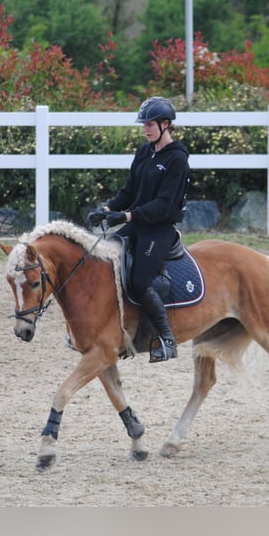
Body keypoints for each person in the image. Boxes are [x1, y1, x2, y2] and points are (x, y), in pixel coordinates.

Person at [90, 96, 190, 362]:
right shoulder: (144, 152)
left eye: (150, 124)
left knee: (139, 281)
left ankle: (167, 339)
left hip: (159, 229)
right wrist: (109, 209)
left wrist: (128, 215)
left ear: (165, 125)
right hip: (137, 223)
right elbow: (129, 191)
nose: (145, 129)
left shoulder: (177, 159)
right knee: (104, 259)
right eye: (143, 124)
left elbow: (163, 206)